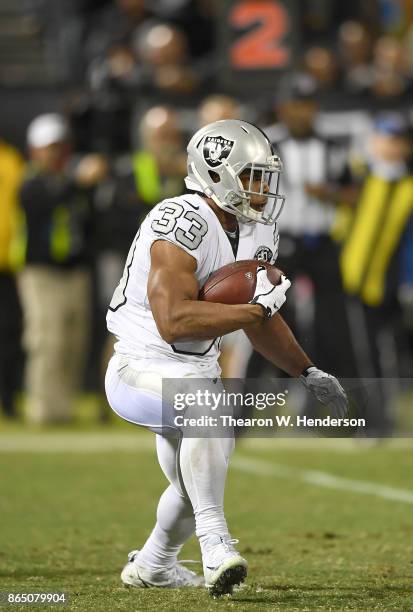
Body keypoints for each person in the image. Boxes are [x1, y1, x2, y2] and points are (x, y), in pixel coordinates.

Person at [105, 120, 348, 596]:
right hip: (139, 367)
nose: (263, 188)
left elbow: (259, 320)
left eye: (265, 176)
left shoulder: (259, 228)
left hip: (198, 371)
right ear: (217, 174)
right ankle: (216, 544)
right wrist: (252, 309)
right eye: (253, 176)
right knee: (207, 416)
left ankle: (154, 564)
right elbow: (173, 319)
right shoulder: (180, 221)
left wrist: (306, 370)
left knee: (190, 483)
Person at [18, 113, 93, 424]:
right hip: (41, 272)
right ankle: (43, 406)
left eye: (60, 146)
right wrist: (79, 181)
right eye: (50, 147)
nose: (56, 153)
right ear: (35, 150)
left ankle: (63, 405)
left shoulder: (70, 184)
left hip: (74, 271)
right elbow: (45, 205)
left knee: (74, 339)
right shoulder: (31, 183)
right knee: (47, 338)